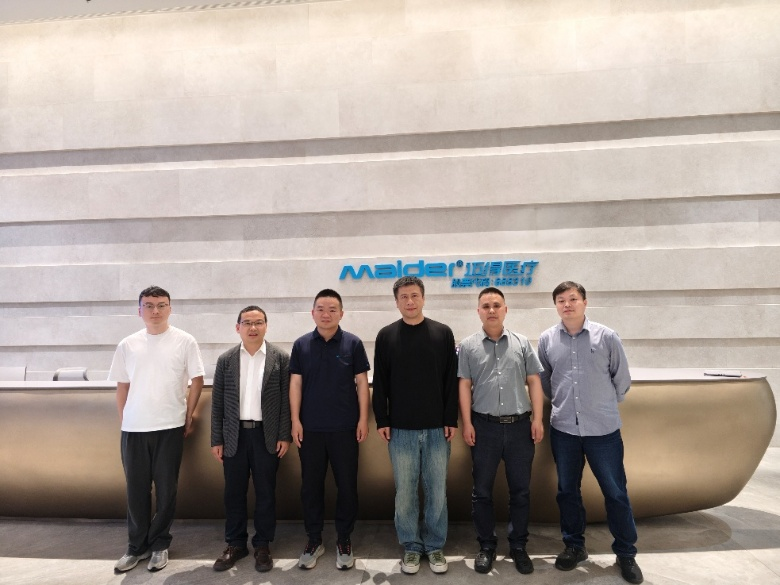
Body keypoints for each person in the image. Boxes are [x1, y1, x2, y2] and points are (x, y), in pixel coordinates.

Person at [537, 281, 643, 584]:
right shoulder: (546, 339)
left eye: (573, 299)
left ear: (585, 302)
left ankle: (626, 553)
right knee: (567, 491)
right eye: (561, 300)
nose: (567, 304)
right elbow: (546, 380)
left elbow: (622, 379)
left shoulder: (606, 336)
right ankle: (574, 546)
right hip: (564, 430)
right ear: (556, 305)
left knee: (615, 492)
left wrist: (602, 404)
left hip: (603, 430)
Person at [109, 285, 205, 573]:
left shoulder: (185, 341)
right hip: (134, 429)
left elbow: (197, 380)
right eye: (149, 305)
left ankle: (160, 544)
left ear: (170, 308)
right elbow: (122, 386)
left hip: (170, 426)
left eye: (161, 305)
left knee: (166, 490)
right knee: (136, 490)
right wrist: (125, 419)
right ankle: (136, 546)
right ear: (139, 310)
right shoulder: (127, 344)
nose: (155, 310)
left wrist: (189, 414)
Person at [372, 276, 458, 575]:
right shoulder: (386, 336)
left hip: (437, 429)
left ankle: (434, 546)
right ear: (396, 301)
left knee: (437, 490)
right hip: (400, 430)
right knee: (405, 492)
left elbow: (450, 380)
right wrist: (382, 419)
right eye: (403, 297)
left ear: (423, 298)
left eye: (414, 295)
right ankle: (411, 545)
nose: (409, 301)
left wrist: (450, 419)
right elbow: (380, 381)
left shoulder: (442, 333)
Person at [457, 287, 544, 574]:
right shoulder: (468, 346)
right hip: (484, 428)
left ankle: (518, 546)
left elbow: (534, 381)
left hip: (520, 428)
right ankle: (486, 546)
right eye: (486, 306)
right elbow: (464, 386)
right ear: (478, 311)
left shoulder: (522, 343)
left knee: (520, 491)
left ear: (506, 309)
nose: (491, 310)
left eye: (496, 305)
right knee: (481, 491)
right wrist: (467, 423)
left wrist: (537, 419)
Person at [289, 289, 370, 570]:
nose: (326, 314)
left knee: (347, 486)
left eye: (332, 309)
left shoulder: (353, 343)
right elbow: (295, 384)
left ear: (341, 313)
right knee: (310, 487)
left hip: (345, 428)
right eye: (321, 309)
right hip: (310, 429)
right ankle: (314, 539)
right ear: (313, 313)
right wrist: (295, 420)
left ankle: (344, 539)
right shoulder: (301, 345)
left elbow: (362, 383)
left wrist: (363, 419)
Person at [210, 306, 291, 573]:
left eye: (258, 322)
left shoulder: (280, 358)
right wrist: (216, 439)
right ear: (238, 327)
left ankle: (263, 544)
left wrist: (284, 435)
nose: (253, 327)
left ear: (266, 326)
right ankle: (235, 544)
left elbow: (285, 401)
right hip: (234, 436)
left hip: (267, 435)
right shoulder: (226, 360)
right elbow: (218, 404)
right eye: (247, 323)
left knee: (266, 492)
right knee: (233, 492)